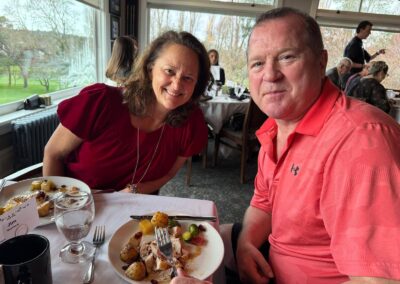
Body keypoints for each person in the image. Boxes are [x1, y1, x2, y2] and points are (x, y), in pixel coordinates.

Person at [172, 7, 400, 284]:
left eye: (287, 57)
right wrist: (246, 245)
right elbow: (264, 203)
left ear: (321, 61)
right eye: (257, 63)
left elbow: (376, 281)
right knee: (178, 252)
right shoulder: (276, 127)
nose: (270, 74)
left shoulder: (361, 141)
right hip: (273, 258)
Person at [43, 31, 210, 194]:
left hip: (135, 214)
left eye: (188, 77)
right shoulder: (101, 102)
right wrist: (60, 207)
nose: (176, 85)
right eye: (169, 71)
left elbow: (168, 174)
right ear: (150, 69)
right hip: (78, 209)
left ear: (197, 83)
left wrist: (133, 191)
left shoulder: (192, 122)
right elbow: (53, 154)